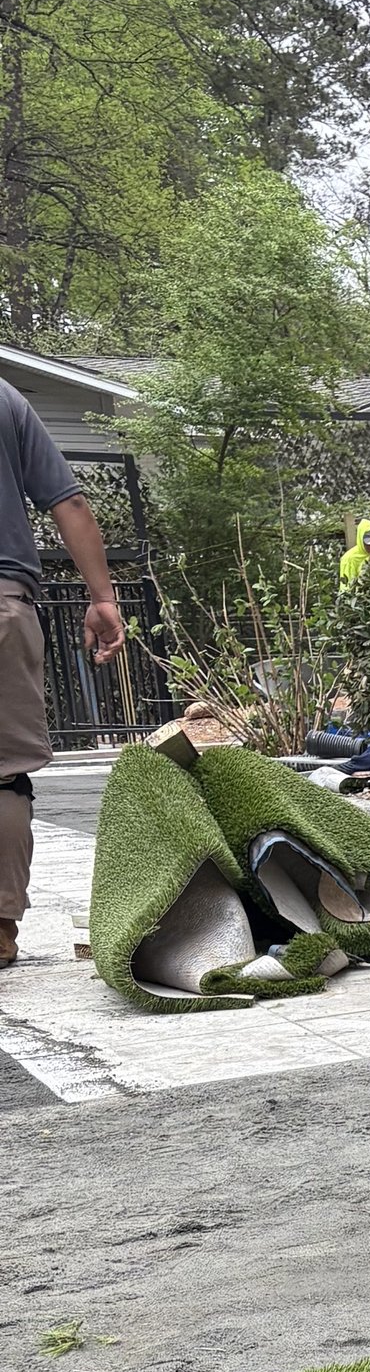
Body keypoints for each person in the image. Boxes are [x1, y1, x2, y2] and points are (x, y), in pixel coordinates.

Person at [0, 383, 124, 969]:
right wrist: (102, 598)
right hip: (3, 604)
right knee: (3, 777)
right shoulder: (5, 399)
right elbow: (68, 502)